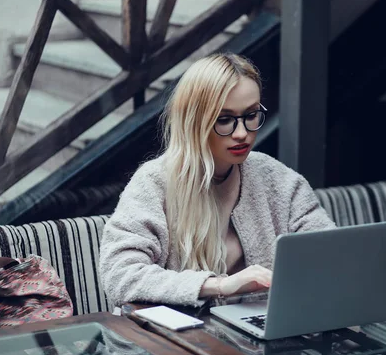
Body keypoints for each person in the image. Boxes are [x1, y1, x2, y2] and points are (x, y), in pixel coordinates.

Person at [99, 53, 335, 308]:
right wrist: (218, 286)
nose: (243, 133)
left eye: (251, 115)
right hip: (176, 337)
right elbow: (119, 276)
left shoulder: (274, 177)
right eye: (224, 120)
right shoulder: (155, 182)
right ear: (194, 121)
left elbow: (330, 251)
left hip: (258, 330)